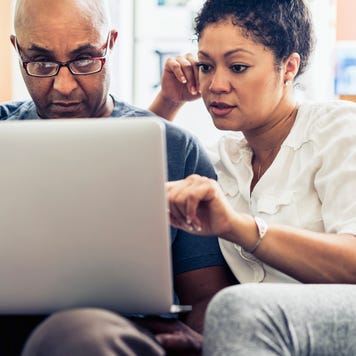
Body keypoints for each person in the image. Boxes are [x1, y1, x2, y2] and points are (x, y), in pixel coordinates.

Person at [0, 0, 236, 355]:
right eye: (42, 62)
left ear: (110, 44)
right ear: (18, 50)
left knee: (79, 335)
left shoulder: (176, 149)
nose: (64, 87)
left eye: (84, 60)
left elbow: (205, 297)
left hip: (120, 336)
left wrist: (202, 342)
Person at [149, 0, 356, 354]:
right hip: (257, 334)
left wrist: (236, 226)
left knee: (237, 307)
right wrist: (168, 102)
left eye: (238, 67)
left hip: (337, 322)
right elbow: (138, 176)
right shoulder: (222, 161)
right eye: (205, 66)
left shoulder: (338, 129)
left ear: (289, 67)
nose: (215, 84)